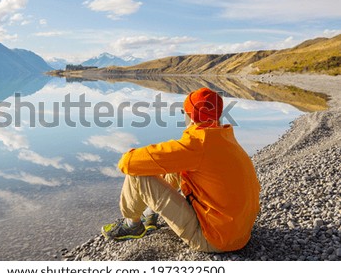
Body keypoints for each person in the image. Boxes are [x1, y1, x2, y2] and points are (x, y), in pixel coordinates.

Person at [101, 87, 260, 252]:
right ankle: (150, 213)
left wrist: (142, 158)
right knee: (177, 165)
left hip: (214, 240)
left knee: (138, 176)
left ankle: (132, 225)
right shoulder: (224, 138)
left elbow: (126, 163)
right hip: (240, 234)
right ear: (218, 115)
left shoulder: (196, 145)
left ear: (190, 116)